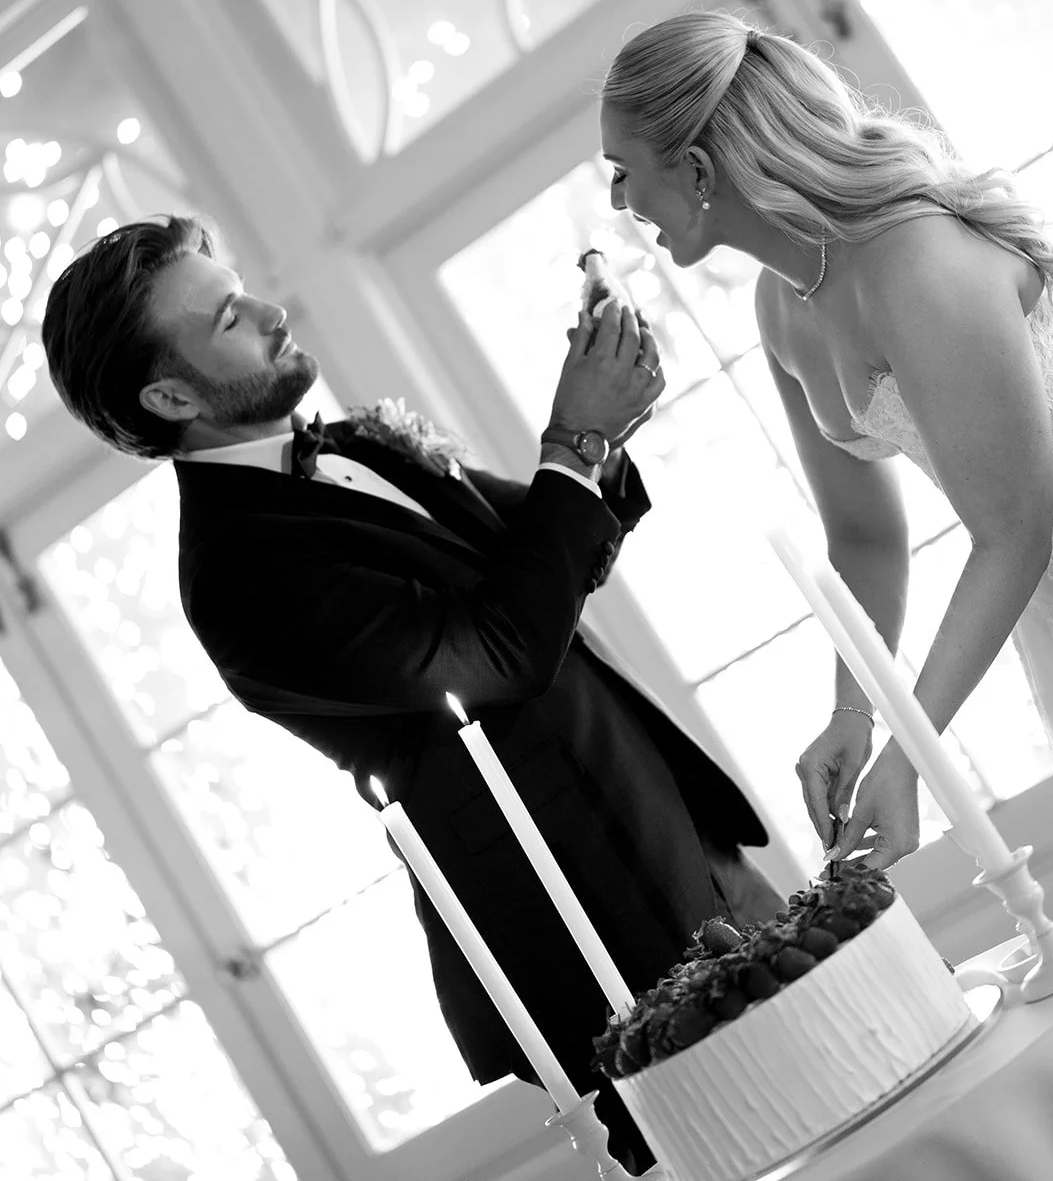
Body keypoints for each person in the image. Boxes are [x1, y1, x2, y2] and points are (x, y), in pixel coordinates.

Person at [41, 213, 781, 1168]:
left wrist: (599, 434)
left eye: (244, 286)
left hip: (673, 818)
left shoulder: (353, 442)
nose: (270, 311)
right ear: (172, 393)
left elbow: (539, 558)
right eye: (228, 316)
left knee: (867, 1057)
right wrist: (573, 436)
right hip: (582, 910)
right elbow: (499, 648)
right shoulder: (237, 580)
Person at [600, 9, 1053, 907]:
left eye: (623, 174)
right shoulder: (783, 308)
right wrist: (854, 714)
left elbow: (1013, 532)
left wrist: (911, 757)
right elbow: (862, 538)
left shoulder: (912, 264)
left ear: (695, 170)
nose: (620, 204)